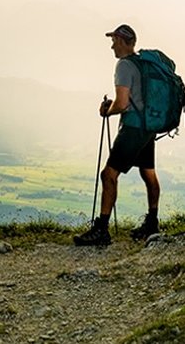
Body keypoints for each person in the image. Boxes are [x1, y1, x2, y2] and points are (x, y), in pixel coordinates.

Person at [74, 23, 161, 246]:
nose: (112, 45)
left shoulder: (124, 66)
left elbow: (122, 103)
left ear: (122, 41)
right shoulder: (143, 63)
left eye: (114, 40)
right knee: (148, 173)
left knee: (109, 174)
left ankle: (101, 230)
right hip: (149, 125)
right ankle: (152, 222)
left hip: (132, 127)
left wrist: (107, 110)